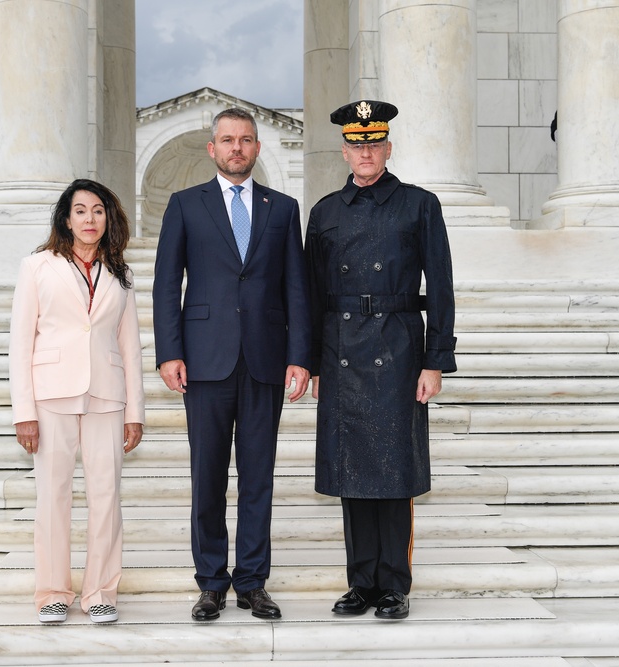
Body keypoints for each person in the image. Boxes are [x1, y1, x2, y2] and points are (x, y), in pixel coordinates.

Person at [152, 107, 311, 621]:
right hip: (204, 360)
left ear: (257, 148)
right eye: (227, 140)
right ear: (212, 148)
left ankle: (252, 581)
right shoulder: (184, 205)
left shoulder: (283, 209)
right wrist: (169, 351)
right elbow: (164, 285)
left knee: (259, 475)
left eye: (245, 140)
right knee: (208, 475)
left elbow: (297, 289)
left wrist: (300, 357)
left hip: (265, 359)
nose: (236, 148)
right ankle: (211, 581)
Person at [304, 100, 457, 620]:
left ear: (388, 149)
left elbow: (440, 286)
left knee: (393, 472)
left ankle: (394, 584)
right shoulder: (325, 211)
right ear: (344, 151)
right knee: (351, 473)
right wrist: (315, 363)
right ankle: (361, 582)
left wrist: (435, 360)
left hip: (397, 349)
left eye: (373, 144)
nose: (365, 152)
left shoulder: (419, 204)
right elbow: (311, 295)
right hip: (342, 351)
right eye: (356, 144)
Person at [9, 179, 145, 625]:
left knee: (106, 496)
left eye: (98, 211)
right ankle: (51, 591)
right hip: (51, 394)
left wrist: (136, 412)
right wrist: (23, 412)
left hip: (107, 395)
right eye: (81, 211)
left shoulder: (120, 273)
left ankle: (101, 590)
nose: (90, 219)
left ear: (109, 218)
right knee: (53, 495)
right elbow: (20, 341)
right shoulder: (36, 267)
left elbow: (130, 346)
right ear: (66, 219)